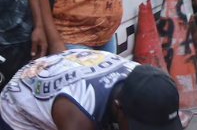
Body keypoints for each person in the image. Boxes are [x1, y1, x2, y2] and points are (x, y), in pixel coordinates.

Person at [1, 52, 182, 130]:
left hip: (61, 77)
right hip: (18, 106)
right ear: (118, 107)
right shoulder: (79, 113)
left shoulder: (141, 79)